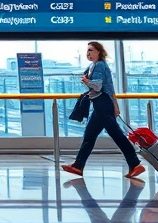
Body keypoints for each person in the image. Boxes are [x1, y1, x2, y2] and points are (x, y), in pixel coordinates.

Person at [62, 41, 145, 179]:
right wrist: (115, 105)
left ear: (98, 52)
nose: (88, 53)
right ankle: (78, 166)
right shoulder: (93, 66)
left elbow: (98, 86)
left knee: (115, 134)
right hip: (100, 104)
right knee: (90, 135)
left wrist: (86, 81)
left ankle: (135, 164)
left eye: (91, 50)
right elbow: (110, 87)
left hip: (102, 104)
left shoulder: (99, 65)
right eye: (87, 51)